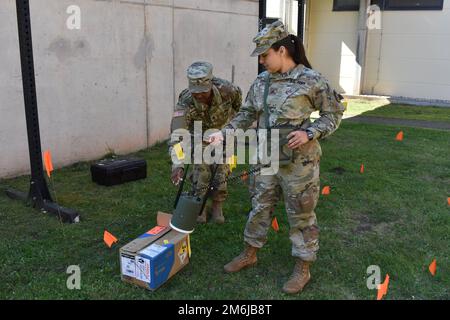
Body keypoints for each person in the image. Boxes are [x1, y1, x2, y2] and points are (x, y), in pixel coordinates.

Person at [208, 21, 345, 294]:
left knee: (301, 213)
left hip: (300, 163)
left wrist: (310, 132)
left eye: (264, 54)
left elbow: (333, 114)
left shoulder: (312, 80)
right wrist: (224, 133)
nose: (261, 61)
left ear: (282, 51)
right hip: (265, 157)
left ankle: (303, 267)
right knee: (259, 206)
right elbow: (247, 113)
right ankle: (250, 253)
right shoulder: (262, 81)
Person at [169, 61, 242, 224]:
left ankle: (217, 204)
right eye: (195, 92)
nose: (199, 96)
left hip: (223, 132)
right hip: (199, 135)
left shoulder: (228, 90)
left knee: (221, 170)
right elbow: (177, 134)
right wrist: (178, 164)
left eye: (202, 91)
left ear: (210, 83)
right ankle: (198, 205)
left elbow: (239, 110)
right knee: (200, 170)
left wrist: (230, 128)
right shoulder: (186, 100)